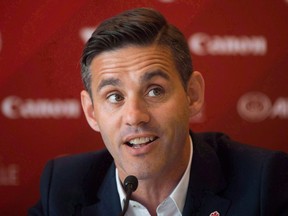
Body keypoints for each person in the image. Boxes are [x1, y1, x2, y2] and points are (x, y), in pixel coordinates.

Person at [29, 7, 288, 216]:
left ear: (193, 95)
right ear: (92, 113)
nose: (134, 116)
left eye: (155, 90)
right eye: (115, 96)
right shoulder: (62, 189)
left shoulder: (263, 182)